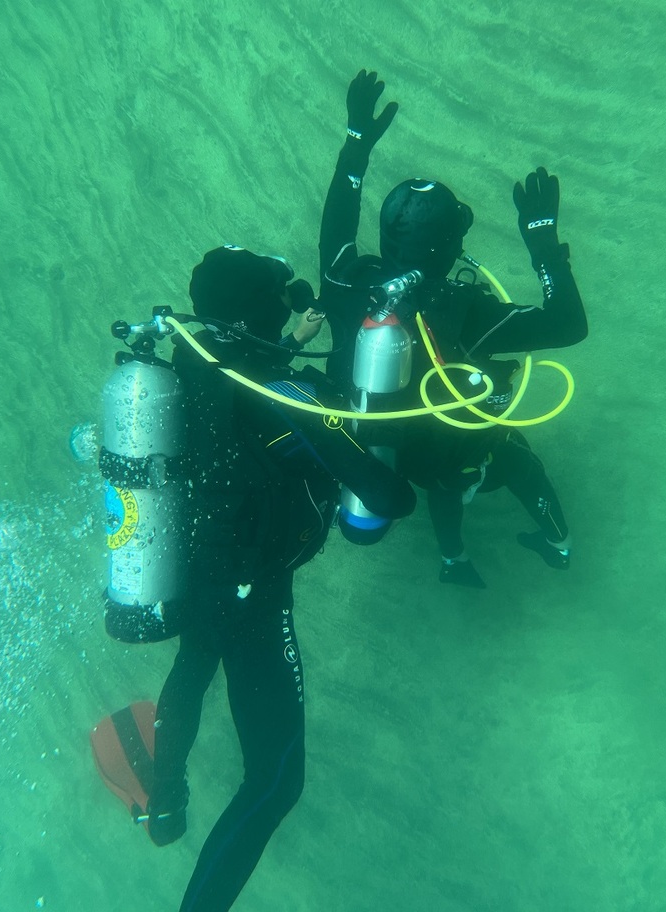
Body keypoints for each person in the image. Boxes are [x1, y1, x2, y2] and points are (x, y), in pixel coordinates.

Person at [147, 244, 416, 912]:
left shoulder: (189, 364)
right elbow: (388, 497)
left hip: (191, 568)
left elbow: (242, 381)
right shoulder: (287, 396)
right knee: (275, 783)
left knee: (194, 662)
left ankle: (165, 801)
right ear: (255, 316)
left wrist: (289, 340)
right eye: (278, 300)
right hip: (254, 596)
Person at [318, 70, 588, 587]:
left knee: (446, 482)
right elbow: (568, 325)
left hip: (383, 454)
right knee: (514, 461)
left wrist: (356, 144)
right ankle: (556, 547)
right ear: (452, 247)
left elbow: (336, 225)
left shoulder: (347, 282)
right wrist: (544, 246)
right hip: (449, 456)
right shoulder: (470, 313)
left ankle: (453, 560)